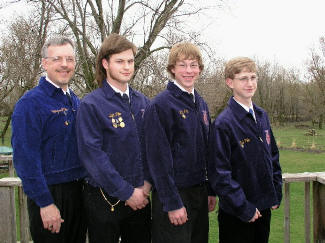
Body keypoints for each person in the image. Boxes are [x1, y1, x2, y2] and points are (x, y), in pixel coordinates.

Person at [76, 33, 151, 243]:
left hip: (141, 196)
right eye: (120, 61)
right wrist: (127, 192)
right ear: (105, 63)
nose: (127, 67)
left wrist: (146, 184)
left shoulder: (144, 103)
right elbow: (93, 157)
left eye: (130, 61)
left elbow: (152, 148)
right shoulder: (91, 105)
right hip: (103, 198)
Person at [11, 36, 87, 243]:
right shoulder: (31, 104)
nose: (65, 65)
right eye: (57, 59)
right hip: (50, 195)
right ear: (45, 63)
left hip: (78, 192)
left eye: (70, 59)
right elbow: (25, 159)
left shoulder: (76, 102)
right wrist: (45, 203)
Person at [144, 42, 216, 243]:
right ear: (172, 69)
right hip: (174, 197)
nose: (188, 70)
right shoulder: (160, 105)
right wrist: (172, 203)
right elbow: (158, 161)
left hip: (199, 193)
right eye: (182, 65)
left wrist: (210, 190)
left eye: (193, 65)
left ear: (200, 69)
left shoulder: (200, 103)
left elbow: (207, 150)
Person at [208, 57, 283, 243]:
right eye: (243, 78)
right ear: (230, 82)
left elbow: (272, 155)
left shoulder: (262, 115)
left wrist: (275, 192)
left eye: (253, 77)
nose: (250, 83)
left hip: (263, 208)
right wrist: (244, 208)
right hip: (237, 214)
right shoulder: (223, 124)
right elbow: (220, 174)